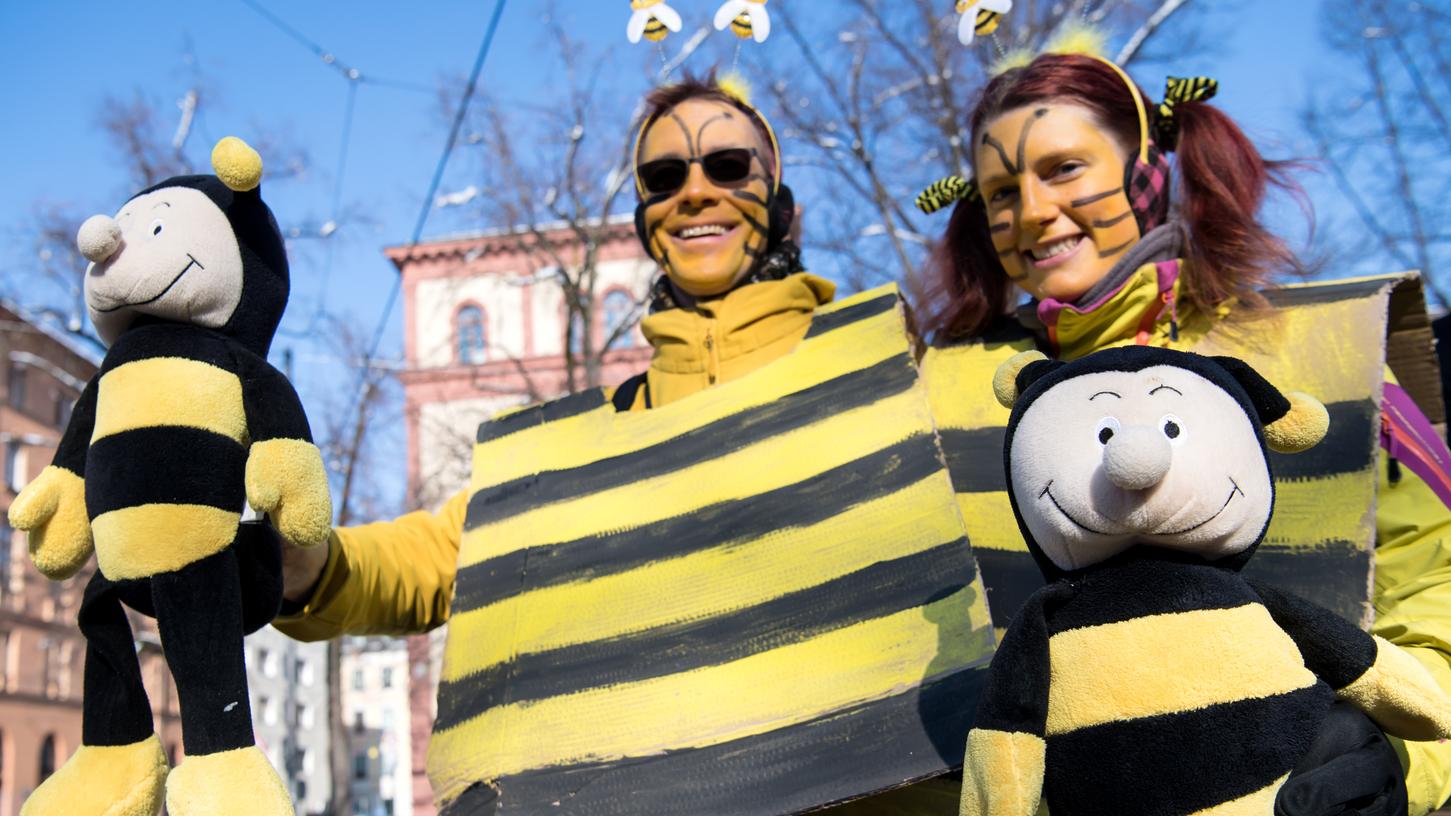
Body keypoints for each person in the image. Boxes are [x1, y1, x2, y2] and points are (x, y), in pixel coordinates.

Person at [914, 51, 1451, 814]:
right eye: (1002, 190)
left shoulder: (1319, 348)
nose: (1031, 210)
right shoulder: (947, 391)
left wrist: (1397, 760)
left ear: (1149, 171)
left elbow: (1435, 576)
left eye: (1063, 168)